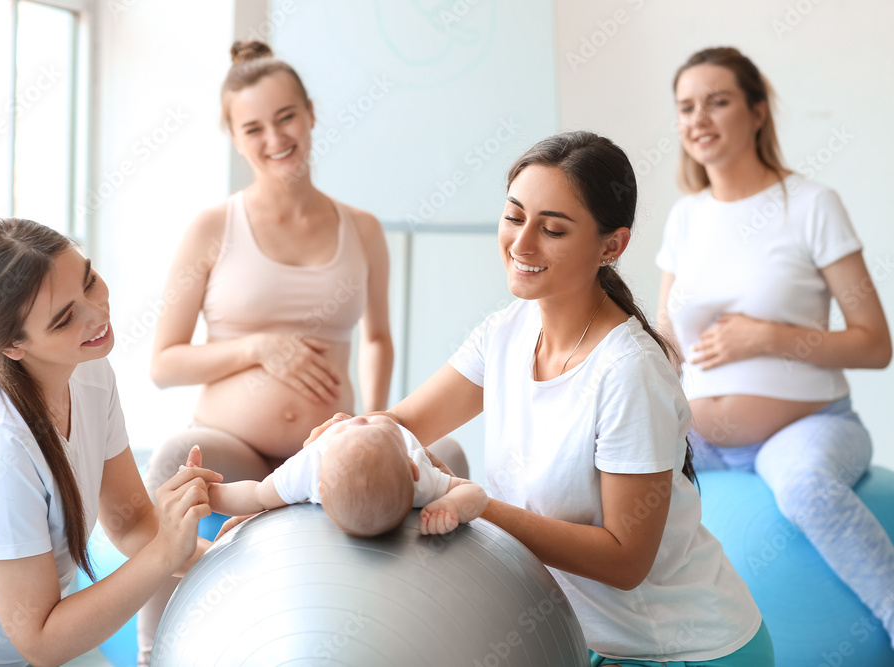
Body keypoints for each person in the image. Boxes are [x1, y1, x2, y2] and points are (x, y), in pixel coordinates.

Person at [306, 131, 774, 665]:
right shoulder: (504, 333)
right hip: (568, 638)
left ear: (611, 246)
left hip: (678, 650)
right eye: (513, 216)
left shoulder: (630, 372)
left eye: (552, 229)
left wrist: (479, 508)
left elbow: (626, 560)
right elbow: (402, 423)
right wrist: (317, 463)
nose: (522, 244)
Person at [138, 39, 467, 661]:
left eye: (286, 117)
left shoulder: (362, 228)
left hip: (334, 448)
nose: (275, 138)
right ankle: (154, 651)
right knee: (179, 455)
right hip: (239, 449)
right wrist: (259, 348)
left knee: (445, 450)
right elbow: (164, 363)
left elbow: (375, 337)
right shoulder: (212, 229)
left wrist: (377, 422)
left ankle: (439, 639)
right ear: (236, 138)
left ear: (311, 114)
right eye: (254, 127)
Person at [0, 219, 222, 666]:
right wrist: (167, 552)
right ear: (13, 345)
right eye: (66, 318)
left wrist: (225, 562)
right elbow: (42, 641)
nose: (97, 314)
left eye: (89, 281)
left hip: (30, 639)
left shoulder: (87, 369)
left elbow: (130, 524)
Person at [657, 46, 894, 647]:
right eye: (686, 107)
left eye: (718, 101)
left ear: (758, 111)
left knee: (806, 489)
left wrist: (768, 338)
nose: (698, 119)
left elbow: (874, 343)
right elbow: (665, 339)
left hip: (810, 428)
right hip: (702, 440)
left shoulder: (813, 205)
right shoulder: (685, 218)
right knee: (598, 474)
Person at [191, 414, 487, 537]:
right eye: (368, 424)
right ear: (413, 469)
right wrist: (452, 505)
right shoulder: (421, 478)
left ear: (318, 488)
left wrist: (207, 493)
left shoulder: (311, 467)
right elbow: (475, 493)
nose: (358, 418)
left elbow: (255, 497)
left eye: (365, 426)